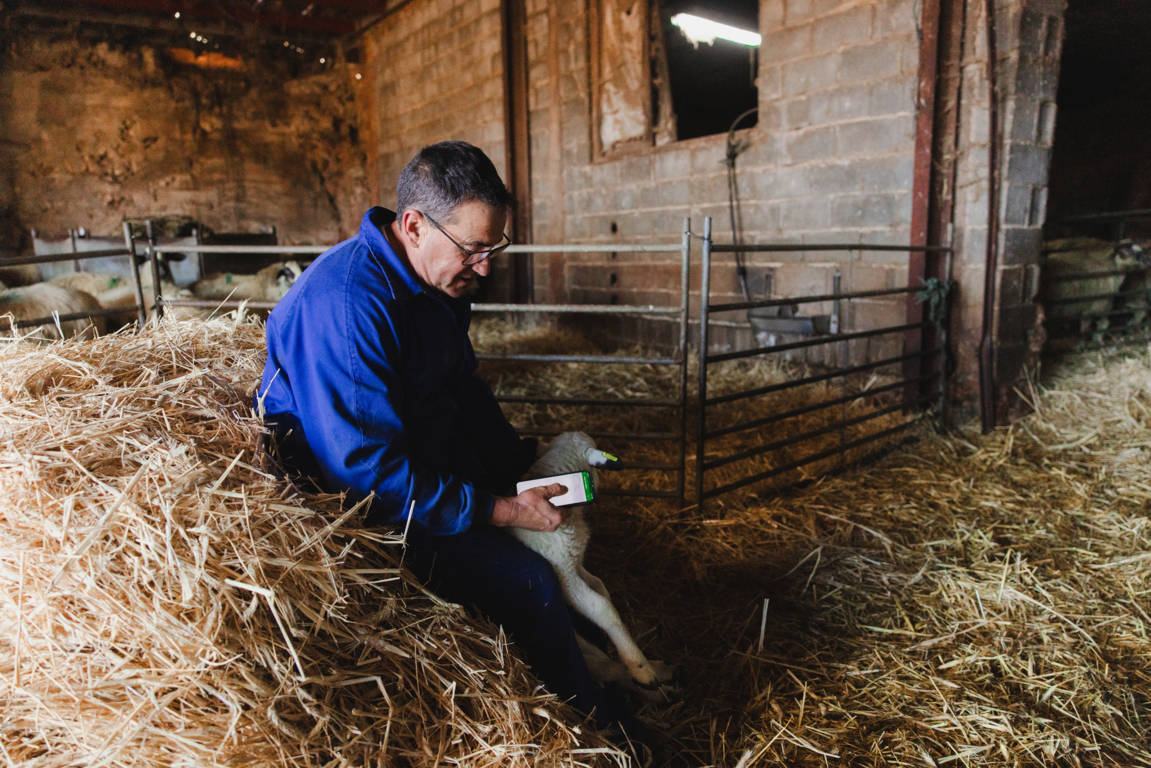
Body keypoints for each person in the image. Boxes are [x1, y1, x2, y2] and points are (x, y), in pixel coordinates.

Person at [257, 141, 627, 730]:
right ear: (413, 226)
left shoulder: (434, 283)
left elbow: (463, 390)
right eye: (475, 248)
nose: (485, 267)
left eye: (494, 247)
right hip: (350, 506)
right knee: (526, 577)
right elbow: (363, 471)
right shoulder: (349, 305)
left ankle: (603, 666)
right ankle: (595, 728)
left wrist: (521, 466)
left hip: (416, 459)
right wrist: (501, 509)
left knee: (563, 518)